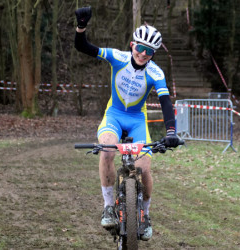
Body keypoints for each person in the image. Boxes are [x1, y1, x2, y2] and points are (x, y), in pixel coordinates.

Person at [74, 7, 180, 241]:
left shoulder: (156, 73)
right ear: (133, 45)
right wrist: (81, 26)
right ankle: (109, 206)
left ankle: (146, 214)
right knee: (108, 151)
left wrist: (171, 131)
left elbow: (165, 102)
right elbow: (83, 47)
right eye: (140, 48)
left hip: (136, 121)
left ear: (153, 54)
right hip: (114, 115)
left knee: (144, 168)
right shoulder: (117, 57)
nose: (143, 54)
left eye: (149, 51)